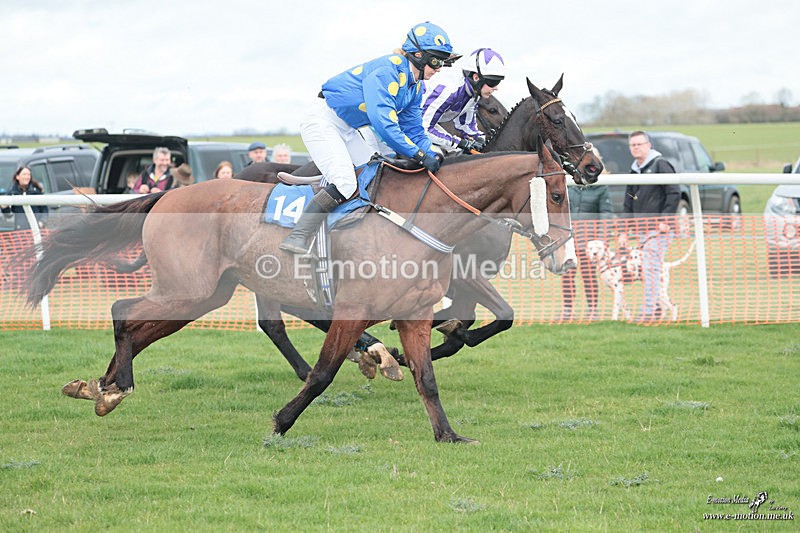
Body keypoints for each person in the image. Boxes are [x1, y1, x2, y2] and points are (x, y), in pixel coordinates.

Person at [280, 21, 458, 254]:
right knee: (345, 183)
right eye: (436, 60)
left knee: (374, 174)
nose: (439, 67)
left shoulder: (416, 88)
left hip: (348, 128)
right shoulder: (388, 70)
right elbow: (384, 123)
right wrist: (418, 154)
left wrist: (430, 152)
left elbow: (414, 129)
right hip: (323, 120)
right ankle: (297, 236)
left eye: (443, 61)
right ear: (417, 55)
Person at [620, 130, 680, 323]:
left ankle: (649, 311)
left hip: (659, 230)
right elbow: (628, 202)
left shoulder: (661, 164)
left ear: (648, 145)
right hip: (641, 230)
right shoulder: (633, 170)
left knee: (650, 268)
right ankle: (655, 307)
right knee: (648, 269)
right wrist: (623, 231)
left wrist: (666, 219)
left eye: (639, 144)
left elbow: (674, 192)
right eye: (632, 145)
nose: (636, 147)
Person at [421, 48, 505, 154]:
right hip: (410, 123)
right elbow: (424, 129)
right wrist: (458, 142)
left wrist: (479, 138)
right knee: (437, 155)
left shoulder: (473, 94)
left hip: (423, 124)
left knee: (458, 154)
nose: (496, 88)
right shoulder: (449, 90)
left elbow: (465, 124)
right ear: (476, 78)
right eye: (493, 82)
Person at [560, 179, 614, 322]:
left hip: (590, 243)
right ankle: (567, 310)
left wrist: (601, 241)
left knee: (588, 276)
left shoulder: (601, 189)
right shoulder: (568, 186)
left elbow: (606, 215)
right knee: (567, 276)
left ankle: (592, 310)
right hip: (569, 240)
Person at [0, 166, 48, 231]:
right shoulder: (12, 193)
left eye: (29, 175)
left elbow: (44, 209)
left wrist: (42, 222)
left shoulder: (36, 191)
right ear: (17, 177)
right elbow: (8, 215)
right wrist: (4, 207)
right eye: (24, 174)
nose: (27, 177)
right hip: (19, 232)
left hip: (36, 230)